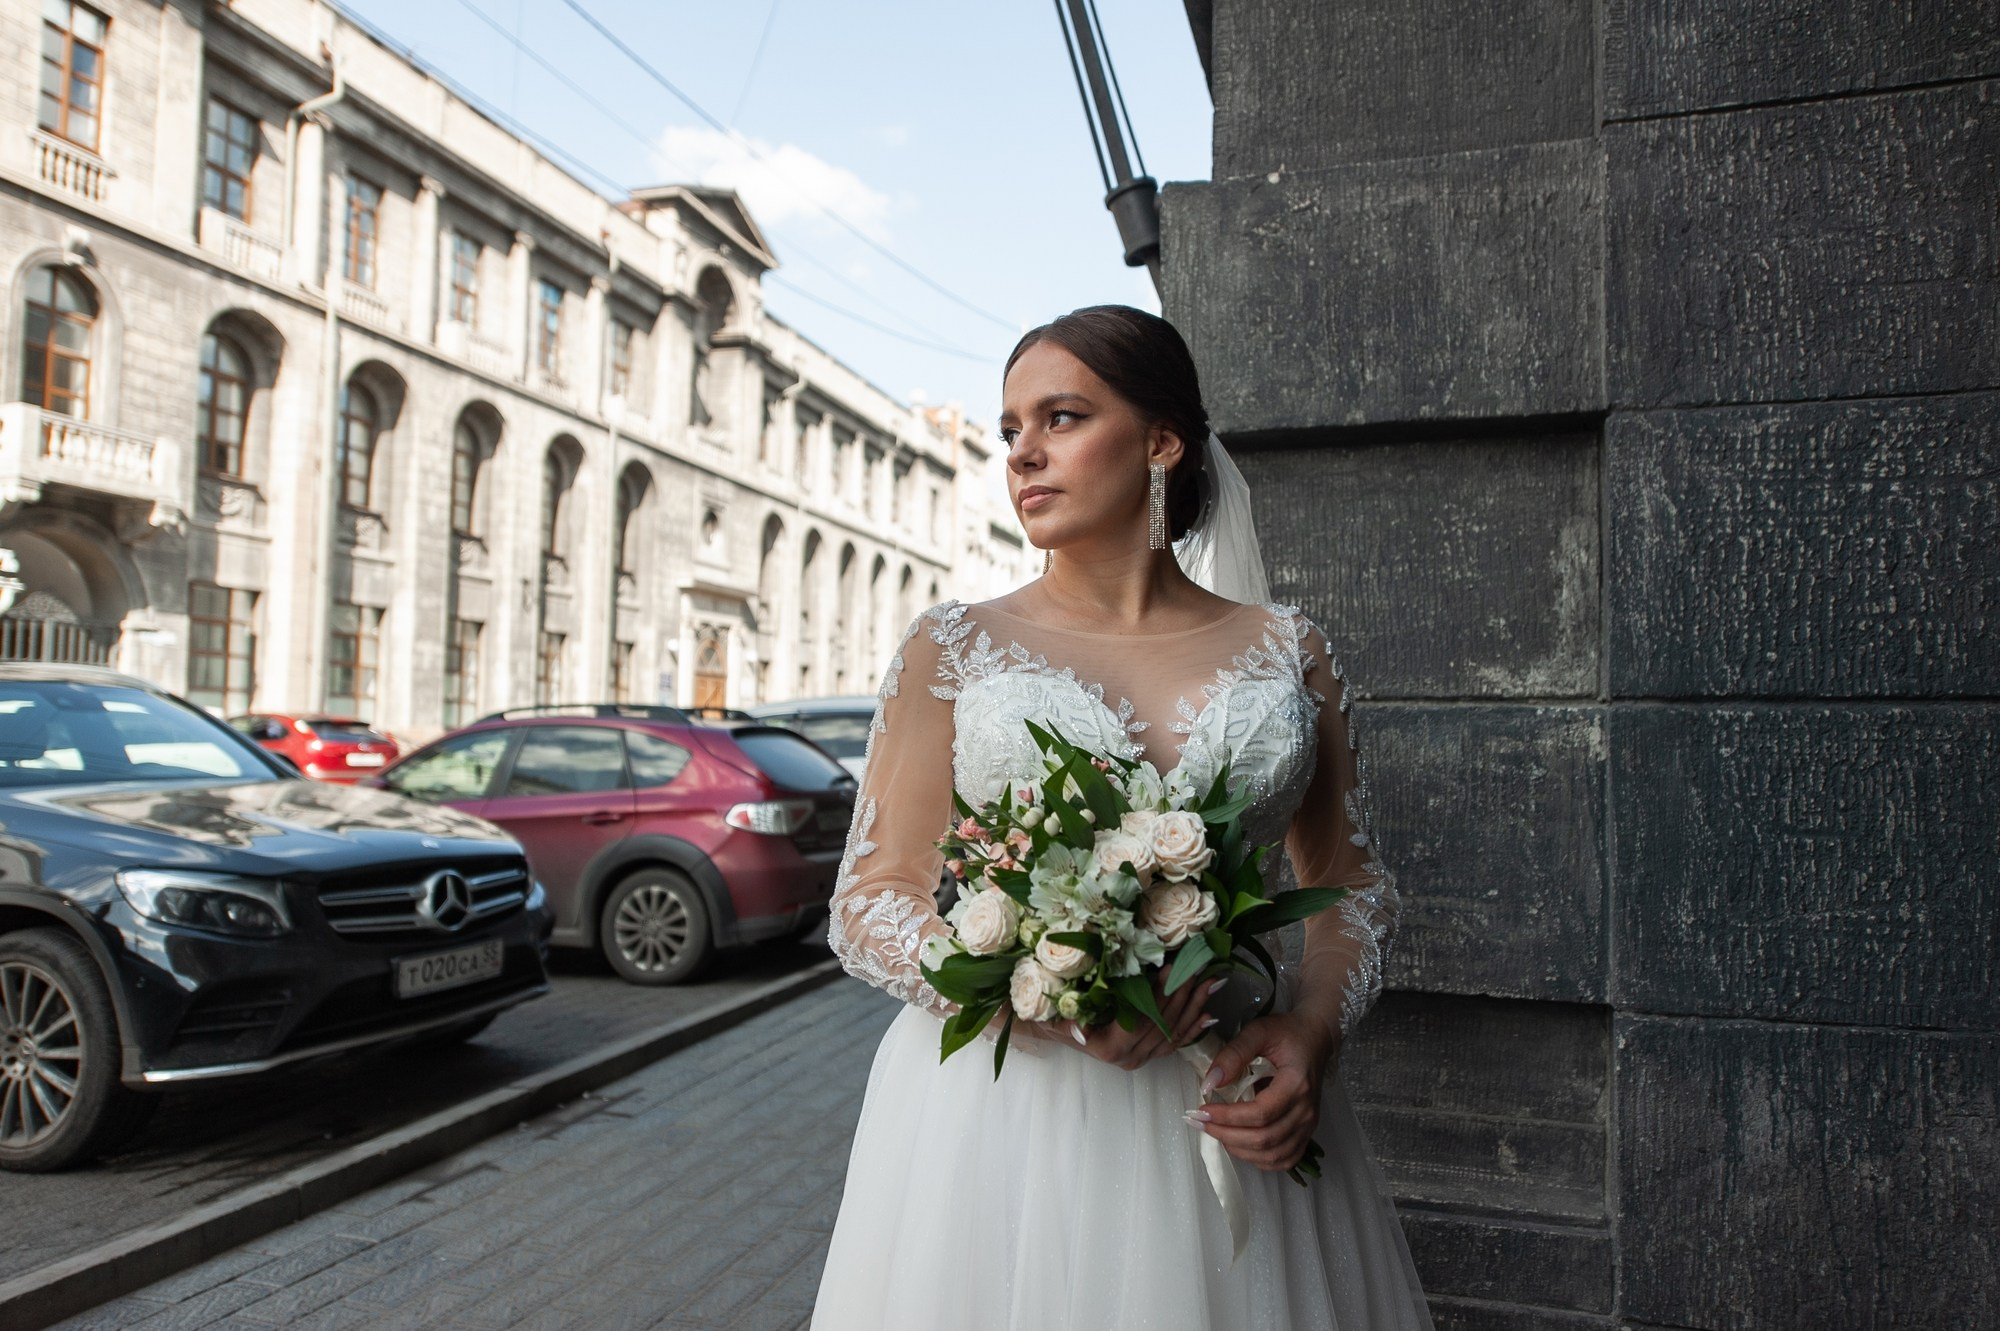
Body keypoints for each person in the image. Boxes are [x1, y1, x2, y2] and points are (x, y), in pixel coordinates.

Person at [810, 305, 1432, 1329]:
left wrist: (1308, 1035)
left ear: (1159, 441)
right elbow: (869, 903)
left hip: (1226, 1094)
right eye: (1009, 429)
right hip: (1004, 1118)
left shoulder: (1288, 648)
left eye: (1059, 417)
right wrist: (1040, 992)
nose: (1022, 454)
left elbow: (1349, 880)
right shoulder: (952, 644)